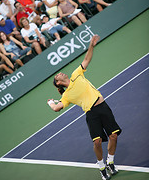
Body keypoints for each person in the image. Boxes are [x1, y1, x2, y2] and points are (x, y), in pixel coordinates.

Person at [47, 34, 121, 180]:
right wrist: (51, 103)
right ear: (59, 83)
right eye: (57, 77)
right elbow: (57, 108)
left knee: (113, 135)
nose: (60, 74)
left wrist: (91, 45)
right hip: (91, 114)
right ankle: (101, 166)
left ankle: (110, 162)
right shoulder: (66, 95)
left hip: (103, 107)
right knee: (97, 141)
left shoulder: (76, 74)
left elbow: (86, 59)